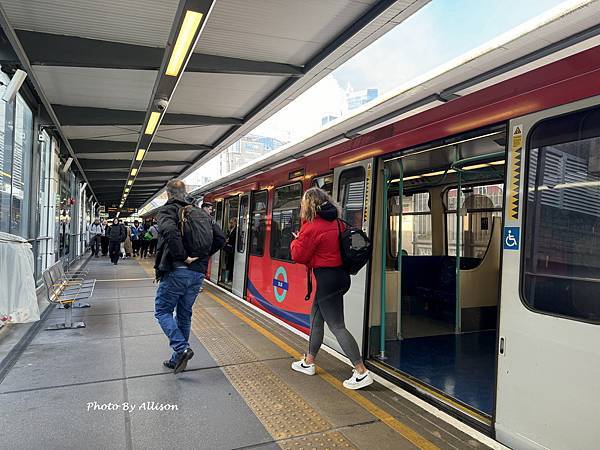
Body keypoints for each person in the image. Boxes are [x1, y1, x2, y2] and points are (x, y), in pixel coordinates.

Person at [290, 187, 373, 390]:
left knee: (337, 326)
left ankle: (361, 372)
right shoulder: (337, 223)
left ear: (309, 204)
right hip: (341, 277)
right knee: (316, 319)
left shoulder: (312, 227)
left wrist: (296, 239)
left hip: (327, 280)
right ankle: (308, 362)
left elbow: (298, 255)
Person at [154, 179, 225, 373]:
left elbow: (168, 231)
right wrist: (202, 257)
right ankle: (177, 358)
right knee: (184, 314)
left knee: (162, 311)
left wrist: (183, 257)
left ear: (168, 194)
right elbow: (220, 237)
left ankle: (181, 348)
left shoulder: (168, 211)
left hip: (178, 270)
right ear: (185, 193)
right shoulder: (200, 212)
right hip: (197, 274)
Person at [223, 218, 237, 283]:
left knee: (230, 264)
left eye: (231, 222)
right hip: (228, 249)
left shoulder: (236, 230)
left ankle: (229, 278)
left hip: (232, 250)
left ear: (235, 222)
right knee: (227, 263)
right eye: (230, 222)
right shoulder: (231, 229)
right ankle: (226, 278)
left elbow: (233, 238)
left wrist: (228, 235)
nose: (230, 223)